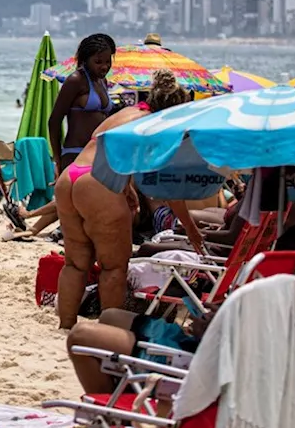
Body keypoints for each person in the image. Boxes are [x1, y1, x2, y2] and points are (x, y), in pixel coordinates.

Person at [66, 223, 295, 395]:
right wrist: (221, 318)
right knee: (110, 315)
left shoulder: (285, 296)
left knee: (80, 337)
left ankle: (111, 415)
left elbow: (245, 357)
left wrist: (211, 328)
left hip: (195, 363)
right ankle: (119, 384)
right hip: (206, 349)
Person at [53, 70, 204, 329]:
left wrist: (126, 187)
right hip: (98, 182)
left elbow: (105, 148)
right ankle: (108, 329)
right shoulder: (159, 126)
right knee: (114, 267)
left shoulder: (126, 114)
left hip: (71, 177)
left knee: (76, 264)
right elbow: (170, 189)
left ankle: (66, 325)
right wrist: (190, 229)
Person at [49, 34, 116, 171]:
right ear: (86, 60)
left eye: (108, 62)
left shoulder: (102, 82)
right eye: (98, 62)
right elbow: (54, 121)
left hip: (99, 154)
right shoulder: (75, 81)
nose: (104, 67)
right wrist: (57, 159)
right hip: (76, 154)